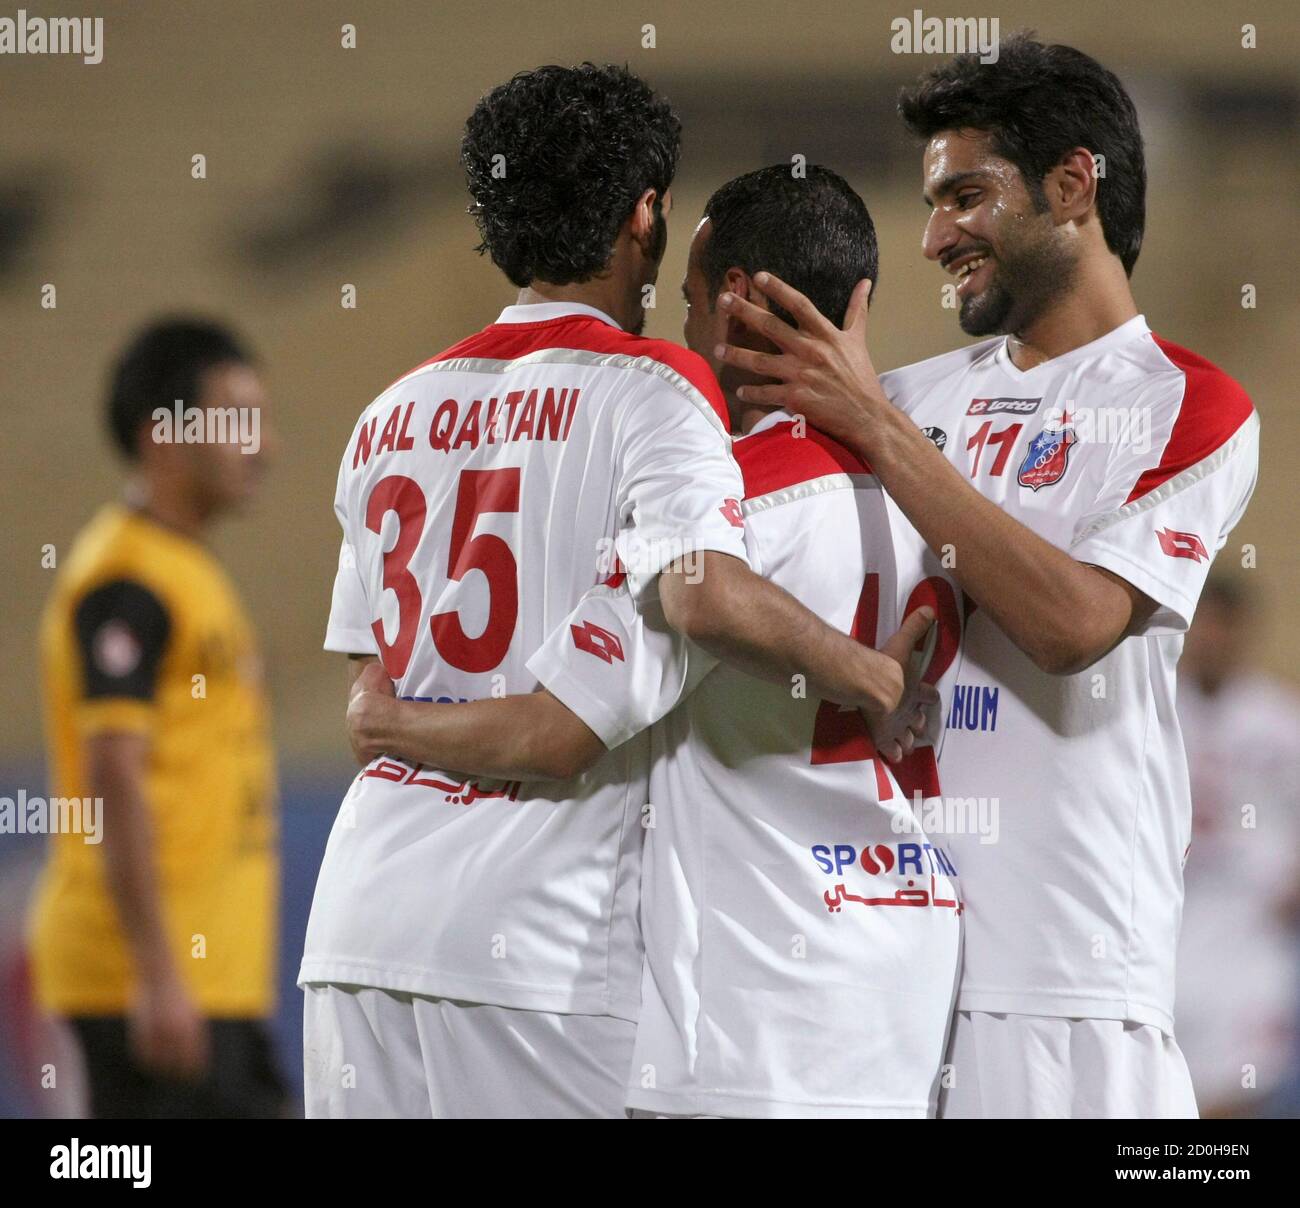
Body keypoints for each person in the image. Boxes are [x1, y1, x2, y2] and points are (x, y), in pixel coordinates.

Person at [300, 67, 927, 1120]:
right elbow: (684, 609)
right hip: (533, 944)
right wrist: (868, 671)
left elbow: (374, 698)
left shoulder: (387, 415)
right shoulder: (652, 388)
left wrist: (392, 722)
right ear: (646, 214)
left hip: (355, 924)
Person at [714, 35, 1259, 1118]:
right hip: (881, 963)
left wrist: (872, 423)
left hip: (1063, 978)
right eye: (929, 203)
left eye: (966, 195)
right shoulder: (909, 399)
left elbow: (1071, 620)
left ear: (1072, 184)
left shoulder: (1183, 404)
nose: (932, 237)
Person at [28, 318, 284, 1118]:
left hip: (208, 983)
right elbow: (111, 777)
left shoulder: (186, 571)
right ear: (162, 434)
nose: (264, 445)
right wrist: (157, 975)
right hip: (147, 984)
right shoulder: (125, 580)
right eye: (238, 419)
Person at [1174, 577, 1300, 1117]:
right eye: (1203, 624)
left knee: (1243, 1083)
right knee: (1163, 1078)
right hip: (1170, 920)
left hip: (1249, 928)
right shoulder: (1154, 712)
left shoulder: (1279, 720)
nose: (1212, 638)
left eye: (1223, 625)